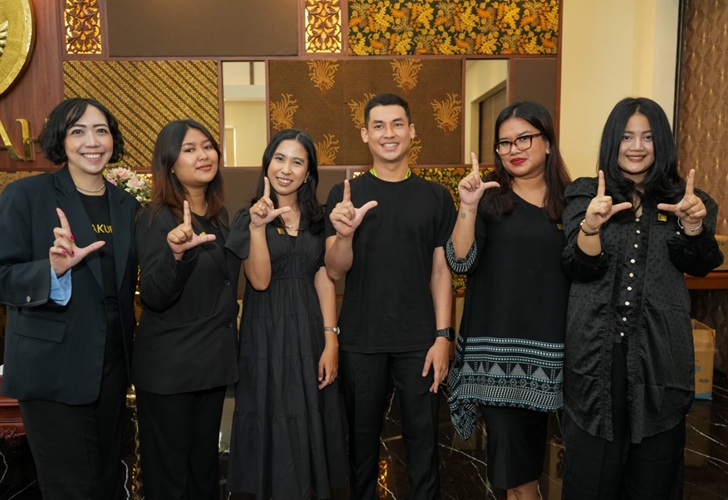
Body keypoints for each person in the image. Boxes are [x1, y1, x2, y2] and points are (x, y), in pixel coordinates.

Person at [560, 97, 723, 499]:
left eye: (647, 137)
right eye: (627, 136)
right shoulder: (585, 195)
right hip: (596, 354)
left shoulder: (687, 200)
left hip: (660, 353)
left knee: (654, 473)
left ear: (661, 142)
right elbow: (579, 267)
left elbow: (700, 263)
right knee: (591, 472)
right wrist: (591, 227)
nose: (636, 146)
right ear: (612, 141)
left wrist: (693, 226)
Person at [0, 97, 139, 498]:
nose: (91, 142)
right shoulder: (27, 195)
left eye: (101, 131)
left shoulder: (127, 205)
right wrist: (51, 270)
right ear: (60, 139)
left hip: (112, 368)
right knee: (71, 490)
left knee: (107, 485)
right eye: (78, 131)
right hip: (52, 370)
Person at [325, 93, 457, 499]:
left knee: (424, 444)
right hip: (361, 339)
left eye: (397, 124)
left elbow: (442, 271)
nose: (389, 133)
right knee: (361, 446)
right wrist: (344, 235)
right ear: (365, 134)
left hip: (419, 339)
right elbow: (334, 270)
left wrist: (443, 336)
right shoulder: (345, 195)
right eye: (378, 126)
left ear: (412, 131)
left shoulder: (436, 196)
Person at [446, 101, 571, 500]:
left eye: (524, 139)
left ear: (547, 142)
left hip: (550, 355)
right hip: (494, 357)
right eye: (504, 143)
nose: (514, 149)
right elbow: (460, 261)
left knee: (528, 463)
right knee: (514, 473)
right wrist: (467, 206)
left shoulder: (573, 203)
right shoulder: (489, 198)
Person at [225, 128, 347, 499]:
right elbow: (259, 281)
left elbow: (326, 278)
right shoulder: (247, 216)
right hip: (265, 334)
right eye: (279, 158)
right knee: (270, 414)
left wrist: (330, 339)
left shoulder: (319, 218)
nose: (286, 169)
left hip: (310, 332)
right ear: (267, 164)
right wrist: (258, 228)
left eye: (297, 162)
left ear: (308, 173)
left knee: (310, 414)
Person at [133, 120, 240, 498]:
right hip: (170, 370)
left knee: (203, 473)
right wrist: (177, 256)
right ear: (170, 164)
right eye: (190, 149)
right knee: (170, 480)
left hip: (210, 364)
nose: (203, 155)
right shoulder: (155, 217)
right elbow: (153, 295)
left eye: (208, 146)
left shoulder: (218, 216)